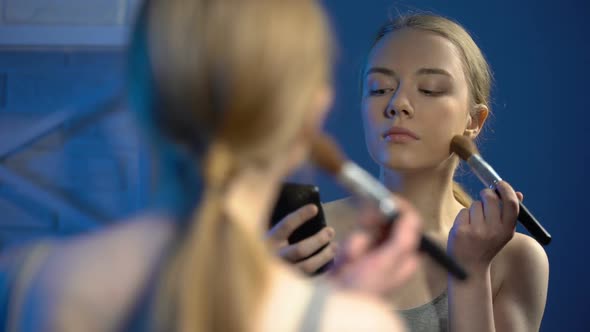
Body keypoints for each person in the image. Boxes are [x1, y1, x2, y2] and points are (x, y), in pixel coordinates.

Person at [0, 1, 423, 331]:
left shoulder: (24, 284)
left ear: (139, 98)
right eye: (381, 87)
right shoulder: (356, 324)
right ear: (309, 122)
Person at [316, 14, 549, 331]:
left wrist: (470, 271)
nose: (398, 104)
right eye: (379, 88)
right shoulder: (311, 236)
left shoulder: (514, 259)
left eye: (429, 89)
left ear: (474, 121)